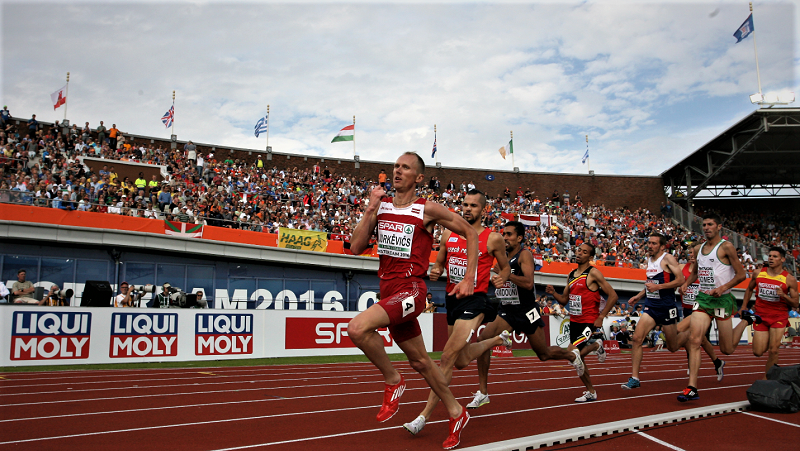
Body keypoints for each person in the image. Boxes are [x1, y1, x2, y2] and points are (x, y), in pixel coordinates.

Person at [347, 152, 474, 450]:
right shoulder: (381, 207)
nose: (397, 171)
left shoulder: (426, 209)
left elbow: (469, 232)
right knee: (421, 362)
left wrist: (468, 277)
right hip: (388, 290)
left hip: (413, 291)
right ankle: (457, 412)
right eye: (395, 166)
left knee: (357, 328)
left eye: (405, 167)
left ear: (418, 177)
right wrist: (370, 208)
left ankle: (393, 379)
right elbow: (355, 247)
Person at [402, 189, 512, 436]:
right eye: (465, 204)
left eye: (473, 205)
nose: (468, 209)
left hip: (476, 300)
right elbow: (439, 263)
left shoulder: (493, 239)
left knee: (447, 357)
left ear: (482, 209)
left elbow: (505, 269)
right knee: (461, 361)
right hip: (452, 299)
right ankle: (496, 340)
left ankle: (423, 416)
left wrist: (501, 279)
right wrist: (436, 270)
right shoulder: (449, 233)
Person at [462, 220, 586, 411]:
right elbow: (501, 278)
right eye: (503, 234)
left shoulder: (524, 254)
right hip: (507, 309)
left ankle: (571, 355)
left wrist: (505, 275)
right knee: (483, 339)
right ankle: (483, 392)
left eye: (509, 234)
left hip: (527, 311)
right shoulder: (501, 256)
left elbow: (528, 283)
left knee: (543, 354)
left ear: (519, 238)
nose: (505, 238)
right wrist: (498, 279)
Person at [679, 214, 750, 402]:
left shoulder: (726, 247)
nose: (706, 227)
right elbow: (695, 273)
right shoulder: (699, 248)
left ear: (719, 227)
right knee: (695, 339)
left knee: (727, 349)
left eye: (710, 224)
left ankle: (744, 322)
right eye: (704, 225)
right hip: (703, 299)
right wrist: (686, 283)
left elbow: (741, 274)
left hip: (722, 300)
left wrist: (723, 288)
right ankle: (692, 387)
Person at [546, 242, 618, 402]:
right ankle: (591, 391)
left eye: (584, 252)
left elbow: (613, 296)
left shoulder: (593, 273)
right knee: (579, 360)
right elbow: (564, 301)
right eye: (578, 250)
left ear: (590, 257)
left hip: (589, 320)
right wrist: (554, 294)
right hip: (574, 321)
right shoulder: (571, 275)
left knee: (573, 353)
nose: (579, 253)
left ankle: (596, 345)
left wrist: (601, 316)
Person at [621, 233, 690, 390]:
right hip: (651, 306)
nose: (649, 246)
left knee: (672, 347)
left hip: (666, 307)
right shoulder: (649, 260)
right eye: (649, 243)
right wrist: (638, 296)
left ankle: (689, 336)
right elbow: (650, 284)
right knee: (637, 338)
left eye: (653, 243)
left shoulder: (668, 259)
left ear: (661, 246)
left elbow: (680, 280)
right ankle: (635, 378)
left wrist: (658, 287)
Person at [741, 247, 799, 376]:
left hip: (779, 316)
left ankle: (769, 378)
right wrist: (744, 306)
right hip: (761, 315)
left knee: (774, 350)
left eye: (775, 256)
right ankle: (769, 340)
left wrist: (783, 296)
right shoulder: (758, 273)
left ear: (783, 259)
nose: (771, 258)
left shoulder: (789, 279)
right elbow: (749, 289)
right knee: (757, 352)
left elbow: (795, 303)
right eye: (770, 256)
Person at [677, 243, 726, 381]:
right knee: (698, 339)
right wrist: (681, 287)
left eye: (694, 254)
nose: (691, 256)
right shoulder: (683, 268)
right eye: (690, 254)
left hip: (702, 308)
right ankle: (717, 362)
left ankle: (694, 368)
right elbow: (678, 281)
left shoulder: (706, 269)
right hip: (687, 307)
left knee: (696, 338)